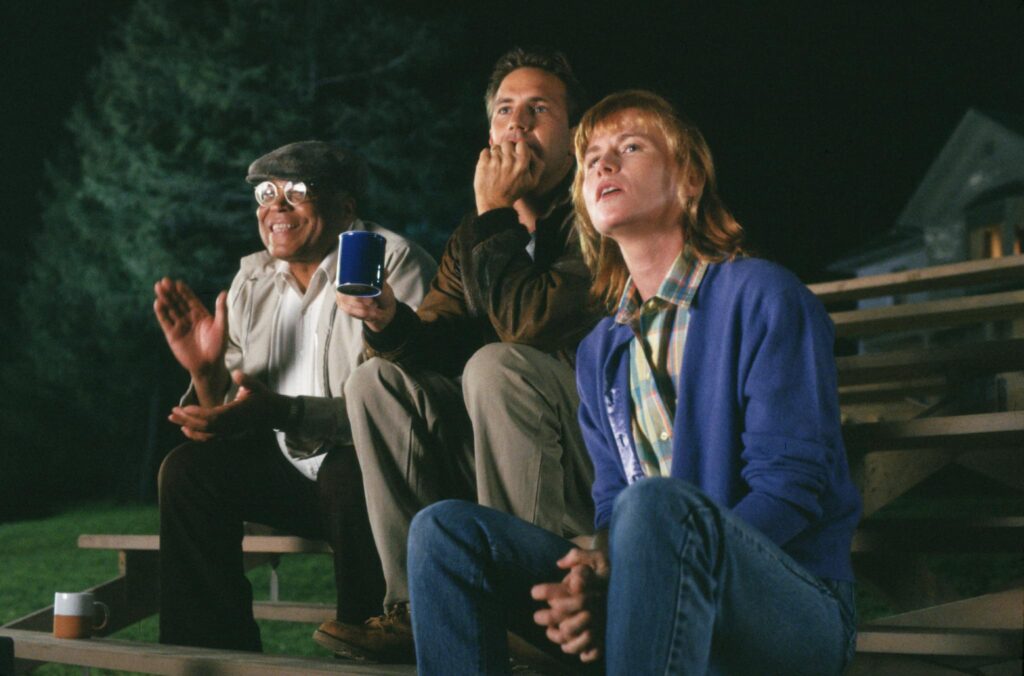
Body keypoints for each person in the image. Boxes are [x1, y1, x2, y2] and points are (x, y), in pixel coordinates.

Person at [406, 91, 862, 675]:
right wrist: (595, 579)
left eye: (630, 147)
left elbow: (793, 488)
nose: (602, 163)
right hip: (649, 592)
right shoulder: (602, 349)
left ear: (690, 180)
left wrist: (629, 568)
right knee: (446, 531)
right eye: (592, 155)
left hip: (795, 610)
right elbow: (611, 507)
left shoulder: (763, 296)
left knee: (655, 505)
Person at [320, 47, 601, 662]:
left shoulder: (596, 217)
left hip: (587, 462)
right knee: (374, 382)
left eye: (539, 109)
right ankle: (416, 605)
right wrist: (388, 319)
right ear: (489, 131)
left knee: (498, 364)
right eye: (505, 110)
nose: (518, 123)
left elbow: (528, 326)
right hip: (501, 456)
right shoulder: (473, 237)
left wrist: (495, 215)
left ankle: (528, 602)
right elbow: (437, 340)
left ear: (576, 134)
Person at [152, 140, 436, 651]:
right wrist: (206, 375)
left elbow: (409, 410)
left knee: (346, 472)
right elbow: (234, 402)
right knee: (187, 471)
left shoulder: (390, 263)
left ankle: (371, 643)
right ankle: (208, 653)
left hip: (377, 480)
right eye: (266, 194)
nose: (275, 208)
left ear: (346, 207)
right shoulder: (252, 279)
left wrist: (286, 412)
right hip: (290, 472)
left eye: (296, 192)